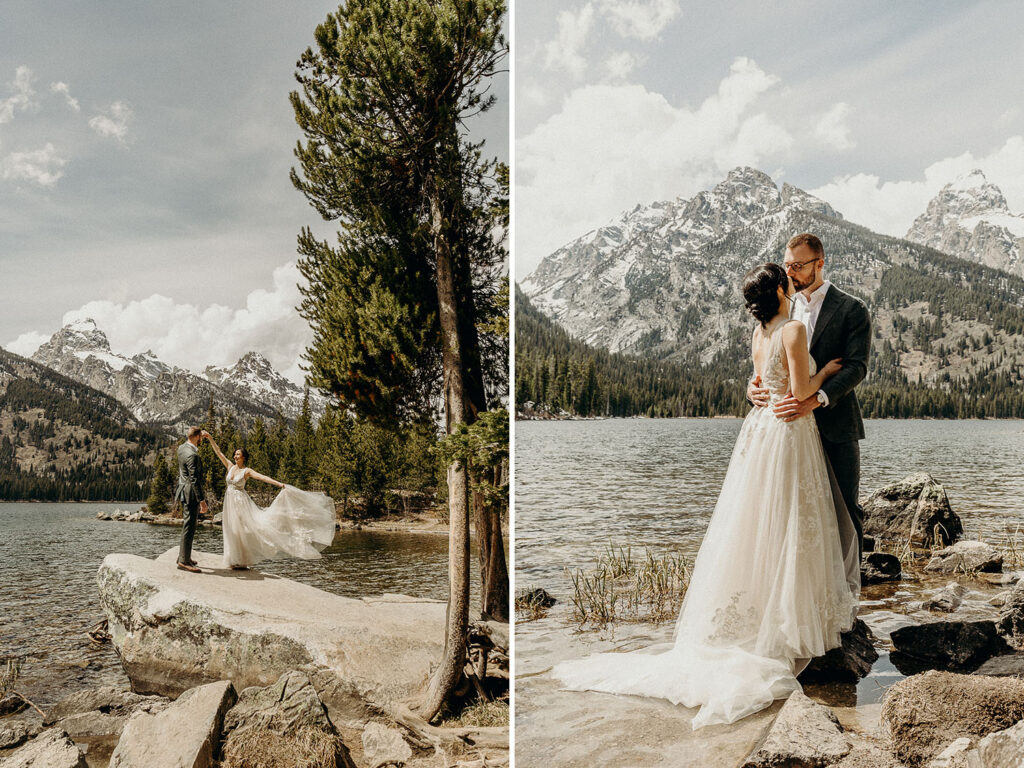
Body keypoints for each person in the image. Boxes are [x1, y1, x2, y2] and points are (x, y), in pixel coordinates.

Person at [552, 262, 861, 729]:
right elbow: (798, 391)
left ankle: (760, 613)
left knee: (757, 523)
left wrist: (769, 389)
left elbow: (761, 384)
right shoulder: (794, 330)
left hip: (759, 433)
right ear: (781, 289)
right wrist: (827, 374)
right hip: (789, 432)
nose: (794, 284)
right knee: (792, 521)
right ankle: (794, 620)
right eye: (788, 279)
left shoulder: (759, 334)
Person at [750, 233, 871, 553]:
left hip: (836, 424)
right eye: (787, 265)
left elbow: (857, 367)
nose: (790, 273)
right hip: (786, 430)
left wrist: (816, 399)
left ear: (820, 263)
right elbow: (767, 363)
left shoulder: (852, 309)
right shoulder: (780, 310)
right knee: (788, 511)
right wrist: (753, 387)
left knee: (845, 508)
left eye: (798, 266)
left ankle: (852, 592)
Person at [202, 431, 337, 570]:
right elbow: (219, 453)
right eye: (235, 454)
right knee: (231, 529)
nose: (235, 456)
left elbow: (262, 477)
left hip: (241, 503)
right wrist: (210, 438)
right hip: (229, 502)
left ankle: (242, 559)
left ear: (243, 457)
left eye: (238, 454)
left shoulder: (247, 471)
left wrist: (279, 484)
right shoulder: (230, 467)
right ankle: (232, 558)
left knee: (243, 530)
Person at [174, 426, 207, 573]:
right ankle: (183, 561)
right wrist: (202, 500)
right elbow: (194, 479)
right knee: (190, 526)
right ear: (198, 437)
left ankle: (184, 556)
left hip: (182, 490)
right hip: (190, 493)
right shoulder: (193, 455)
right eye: (200, 437)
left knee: (188, 524)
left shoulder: (182, 448)